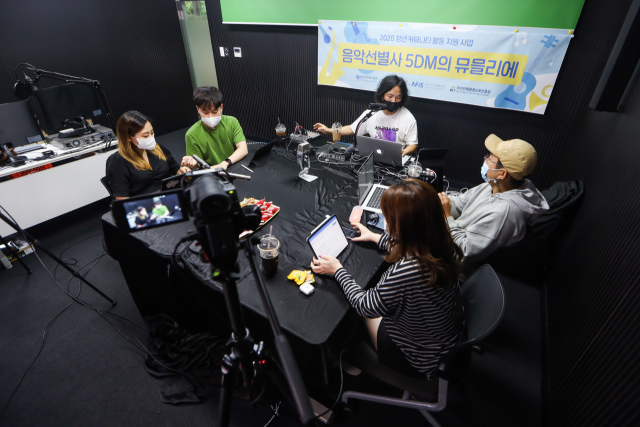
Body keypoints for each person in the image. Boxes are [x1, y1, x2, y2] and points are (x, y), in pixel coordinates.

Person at [310, 179, 464, 378]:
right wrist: (375, 237)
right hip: (443, 337)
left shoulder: (408, 271)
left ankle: (347, 359)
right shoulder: (441, 241)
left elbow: (365, 305)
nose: (385, 219)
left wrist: (337, 270)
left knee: (355, 308)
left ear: (404, 225)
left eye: (388, 217)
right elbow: (411, 247)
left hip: (419, 358)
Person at [438, 134, 549, 263]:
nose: (485, 159)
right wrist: (432, 202)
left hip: (453, 266)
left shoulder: (505, 212)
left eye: (490, 157)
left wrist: (447, 217)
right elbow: (460, 203)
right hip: (450, 237)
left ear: (502, 174)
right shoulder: (491, 186)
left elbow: (464, 251)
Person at [314, 75, 418, 156]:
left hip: (397, 159)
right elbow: (352, 129)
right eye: (390, 96)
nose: (394, 101)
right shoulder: (372, 113)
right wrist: (328, 130)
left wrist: (404, 151)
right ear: (382, 95)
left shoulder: (408, 118)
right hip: (374, 156)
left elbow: (413, 144)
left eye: (398, 97)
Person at [106, 111, 190, 199]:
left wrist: (180, 172)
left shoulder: (158, 149)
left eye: (152, 133)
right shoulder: (117, 162)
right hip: (143, 206)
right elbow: (122, 199)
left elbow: (175, 169)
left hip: (169, 197)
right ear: (128, 137)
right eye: (145, 136)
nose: (151, 138)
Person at [181, 86, 248, 170]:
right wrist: (193, 164)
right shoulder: (191, 134)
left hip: (235, 164)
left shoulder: (232, 122)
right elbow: (198, 167)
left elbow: (243, 149)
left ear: (221, 107)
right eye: (205, 112)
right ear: (198, 109)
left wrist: (225, 163)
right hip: (212, 173)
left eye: (214, 112)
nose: (210, 117)